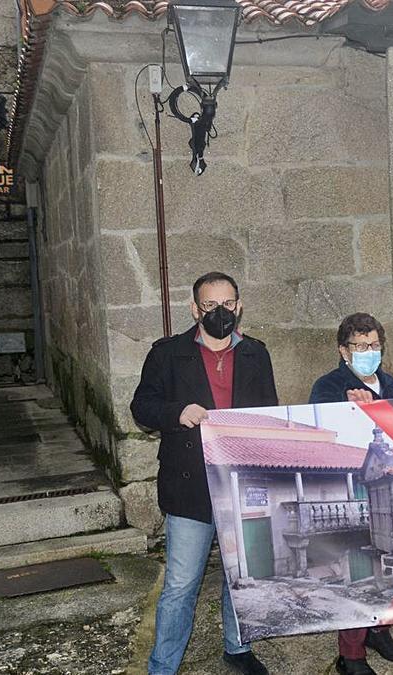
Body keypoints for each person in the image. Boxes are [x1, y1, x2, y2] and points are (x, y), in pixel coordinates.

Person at [131, 272, 278, 675]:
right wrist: (176, 412)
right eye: (210, 306)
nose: (220, 313)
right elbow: (142, 406)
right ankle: (163, 666)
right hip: (189, 488)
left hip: (241, 484)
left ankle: (238, 648)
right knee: (180, 586)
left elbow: (269, 413)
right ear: (195, 309)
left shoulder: (256, 354)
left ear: (239, 306)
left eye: (227, 304)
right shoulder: (167, 353)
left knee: (241, 577)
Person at [308, 313, 393, 675]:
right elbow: (329, 436)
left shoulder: (392, 385)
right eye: (360, 346)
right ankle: (350, 655)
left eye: (374, 345)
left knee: (391, 565)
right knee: (360, 574)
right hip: (354, 491)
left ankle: (379, 631)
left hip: (388, 488)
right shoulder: (328, 387)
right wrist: (354, 412)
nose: (368, 352)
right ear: (343, 350)